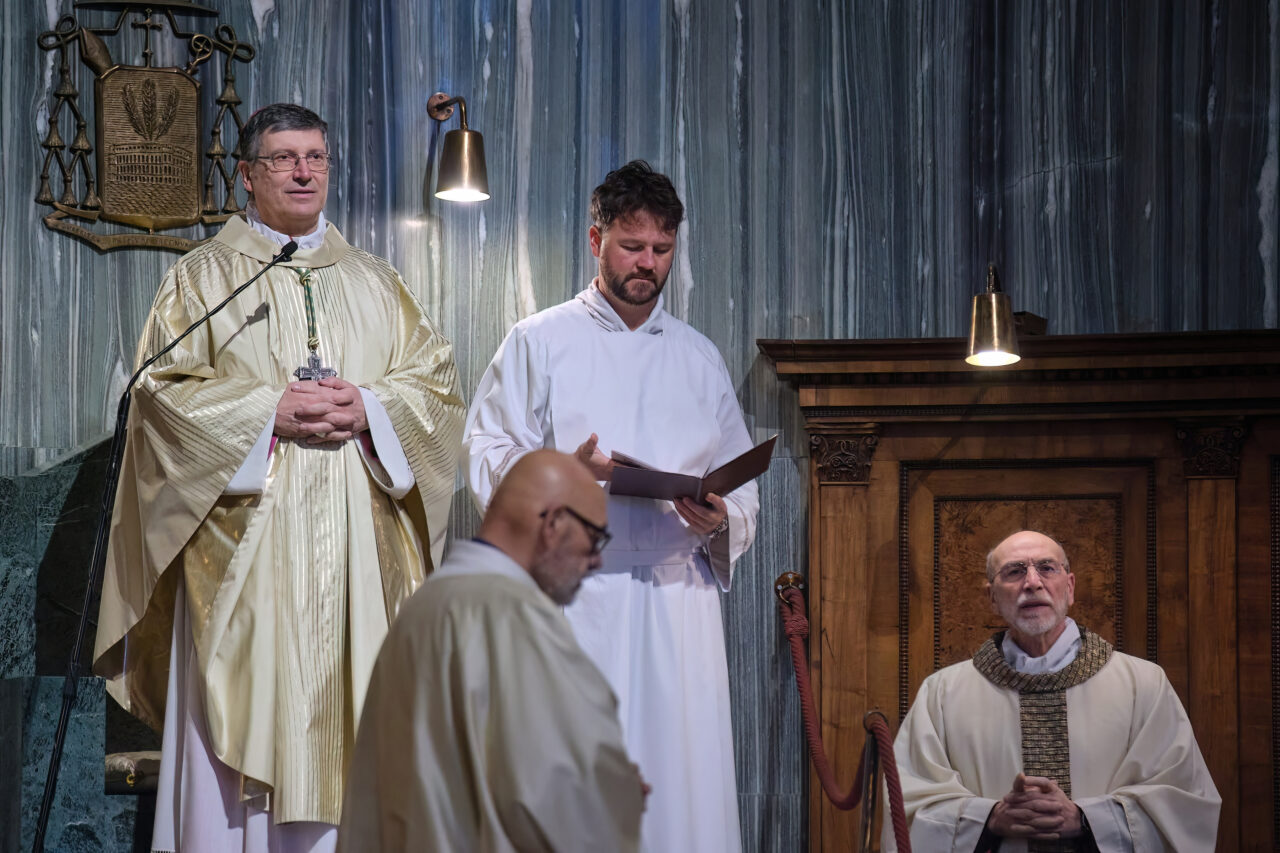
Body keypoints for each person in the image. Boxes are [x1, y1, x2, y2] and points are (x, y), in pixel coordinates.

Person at [92, 103, 466, 851]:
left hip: (362, 566)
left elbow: (439, 391)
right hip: (244, 564)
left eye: (317, 157)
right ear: (247, 175)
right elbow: (159, 397)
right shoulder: (202, 280)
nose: (303, 171)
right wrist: (267, 412)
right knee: (237, 761)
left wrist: (371, 406)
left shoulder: (376, 281)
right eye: (285, 158)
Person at [462, 160, 760, 852]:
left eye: (661, 250)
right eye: (632, 245)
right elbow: (484, 453)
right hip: (576, 597)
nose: (647, 263)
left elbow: (742, 486)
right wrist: (567, 473)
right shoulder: (538, 340)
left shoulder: (699, 357)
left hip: (678, 600)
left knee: (679, 790)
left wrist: (721, 518)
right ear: (596, 238)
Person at [337, 450, 646, 851]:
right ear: (553, 523)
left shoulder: (420, 609)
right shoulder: (518, 620)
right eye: (594, 537)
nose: (596, 560)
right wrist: (618, 791)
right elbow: (563, 799)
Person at [887, 530, 1221, 852]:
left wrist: (1086, 820)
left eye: (1047, 568)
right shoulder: (943, 693)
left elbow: (1185, 800)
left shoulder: (1144, 684)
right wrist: (989, 818)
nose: (1032, 583)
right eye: (1014, 572)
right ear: (991, 597)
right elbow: (905, 805)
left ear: (1070, 586)